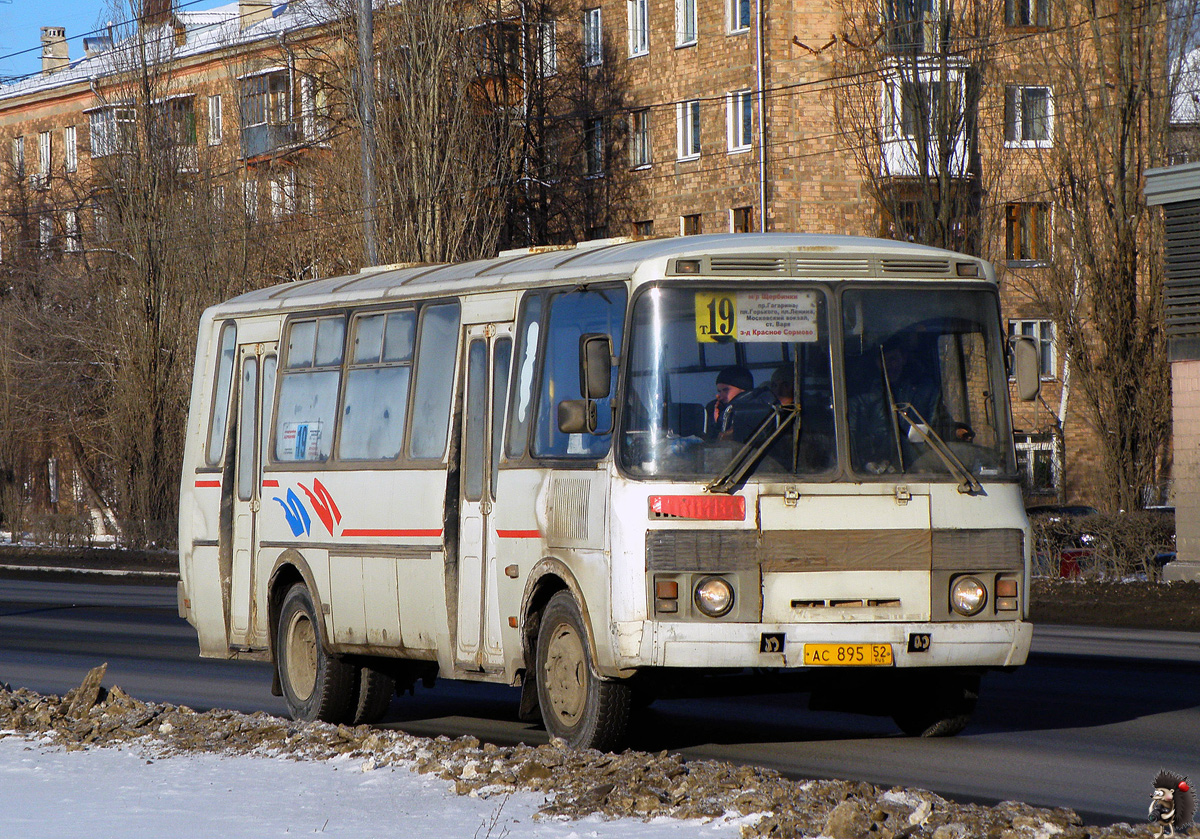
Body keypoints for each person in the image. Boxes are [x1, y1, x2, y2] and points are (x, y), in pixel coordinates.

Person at [705, 365, 778, 441]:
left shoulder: (756, 408)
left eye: (726, 390)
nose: (721, 396)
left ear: (743, 389)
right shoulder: (722, 409)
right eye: (719, 391)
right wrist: (716, 422)